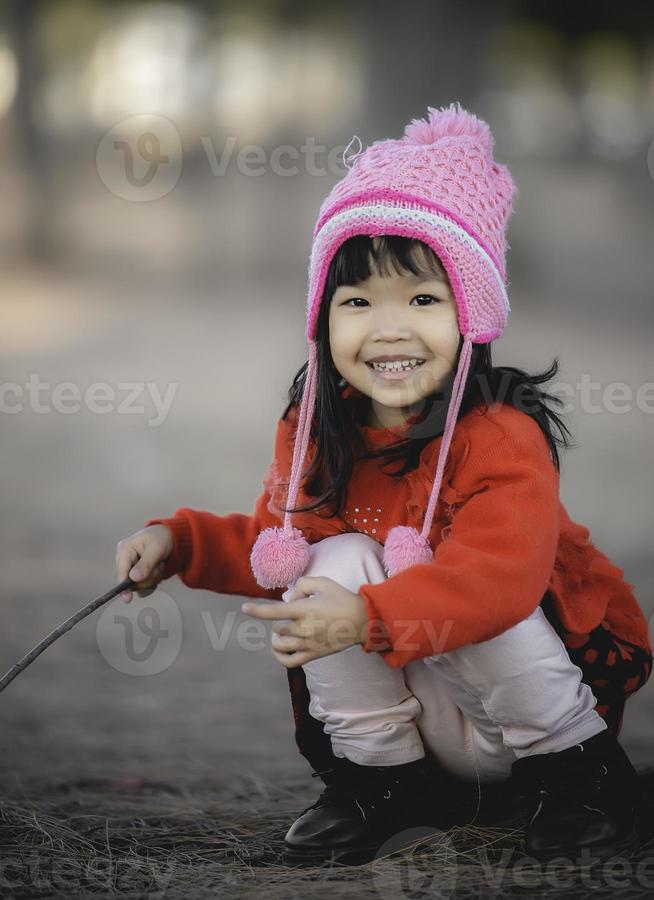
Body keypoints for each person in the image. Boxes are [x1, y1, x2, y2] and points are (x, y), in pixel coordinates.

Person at [115, 103, 652, 868]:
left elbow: (497, 581)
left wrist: (365, 616)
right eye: (358, 302)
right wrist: (181, 543)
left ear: (471, 314)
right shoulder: (319, 431)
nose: (389, 329)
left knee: (460, 587)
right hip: (426, 728)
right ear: (323, 321)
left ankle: (583, 781)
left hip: (528, 719)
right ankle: (384, 784)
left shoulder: (499, 434)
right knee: (323, 564)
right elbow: (278, 543)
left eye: (423, 300)